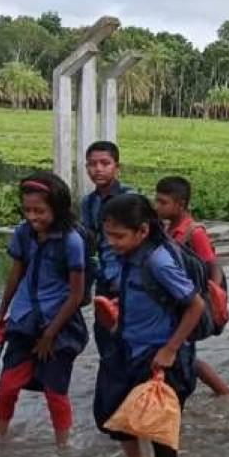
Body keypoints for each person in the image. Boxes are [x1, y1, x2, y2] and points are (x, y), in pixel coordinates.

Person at [93, 194, 204, 457]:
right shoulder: (129, 255)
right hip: (126, 347)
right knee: (112, 413)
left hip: (158, 356)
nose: (113, 243)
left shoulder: (159, 261)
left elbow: (196, 305)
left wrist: (170, 349)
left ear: (142, 231)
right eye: (109, 236)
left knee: (161, 431)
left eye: (119, 236)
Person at [0, 172, 88, 447]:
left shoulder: (71, 241)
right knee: (7, 385)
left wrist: (50, 335)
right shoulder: (23, 233)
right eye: (27, 210)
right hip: (24, 320)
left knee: (55, 392)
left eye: (39, 211)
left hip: (60, 324)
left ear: (56, 208)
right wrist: (1, 311)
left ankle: (63, 448)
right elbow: (15, 273)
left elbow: (76, 294)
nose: (32, 217)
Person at [154, 175, 229, 398]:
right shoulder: (169, 230)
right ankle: (223, 393)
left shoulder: (194, 232)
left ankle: (223, 392)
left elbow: (212, 265)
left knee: (182, 352)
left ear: (180, 205)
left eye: (162, 202)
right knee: (182, 353)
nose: (157, 206)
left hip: (190, 302)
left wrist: (213, 297)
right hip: (177, 301)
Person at [79, 141, 137, 361]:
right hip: (103, 276)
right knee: (104, 335)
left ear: (117, 167)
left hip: (129, 277)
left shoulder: (129, 198)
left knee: (130, 334)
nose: (98, 169)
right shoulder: (88, 202)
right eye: (92, 164)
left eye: (105, 163)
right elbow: (88, 243)